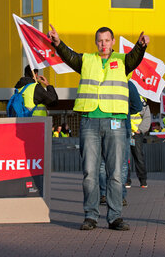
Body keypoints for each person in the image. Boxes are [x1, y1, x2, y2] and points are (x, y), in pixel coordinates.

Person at [49, 24, 149, 231]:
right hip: (89, 122)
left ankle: (114, 217)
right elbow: (69, 56)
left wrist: (140, 46)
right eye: (100, 40)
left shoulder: (123, 61)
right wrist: (58, 43)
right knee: (90, 172)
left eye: (107, 40)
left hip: (116, 122)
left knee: (115, 172)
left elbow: (135, 58)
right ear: (96, 43)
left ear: (113, 42)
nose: (104, 44)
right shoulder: (86, 60)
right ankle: (90, 216)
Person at [127, 95, 151, 187]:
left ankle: (143, 181)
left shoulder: (141, 100)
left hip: (135, 134)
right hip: (125, 132)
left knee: (138, 157)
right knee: (124, 158)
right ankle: (126, 180)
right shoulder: (123, 95)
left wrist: (140, 130)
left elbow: (147, 117)